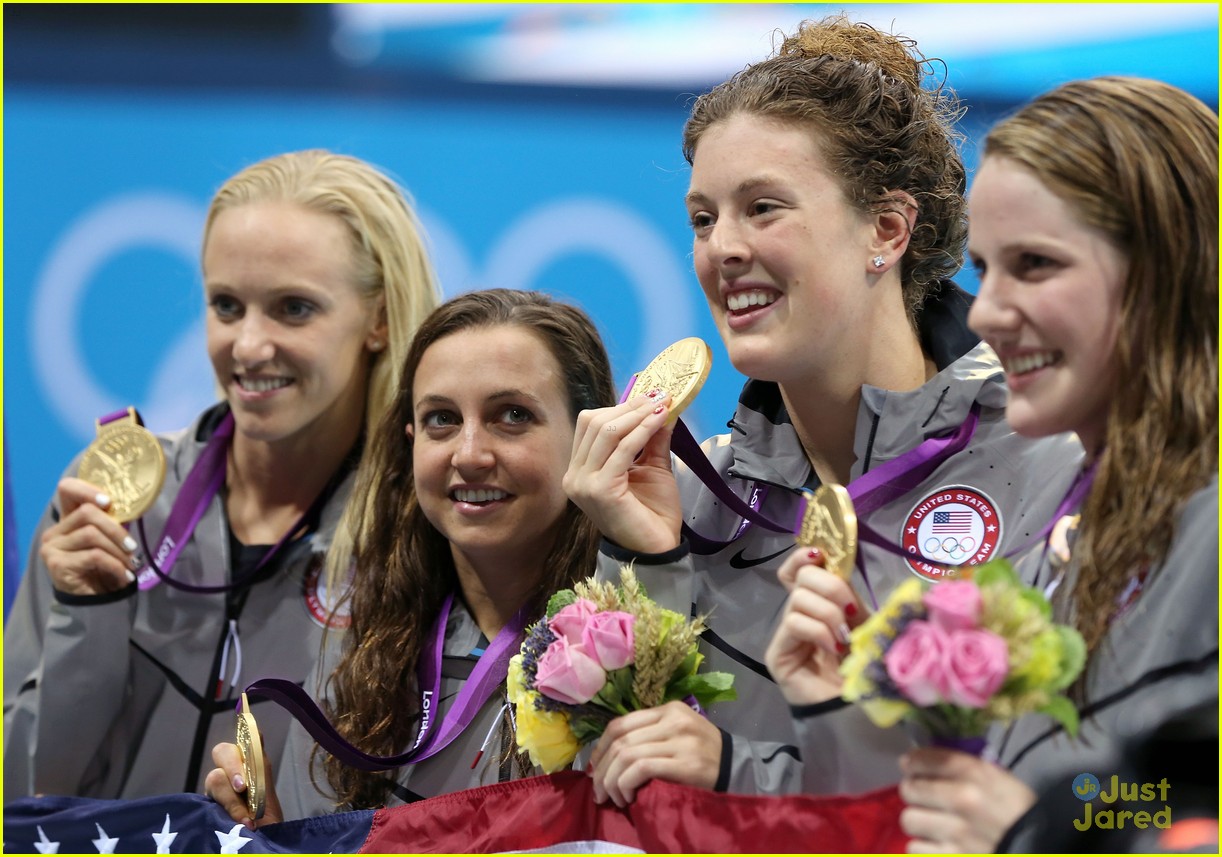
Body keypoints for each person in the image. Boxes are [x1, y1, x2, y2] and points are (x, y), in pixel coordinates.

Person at [564, 15, 1082, 805]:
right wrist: (645, 561)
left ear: (887, 227)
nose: (722, 248)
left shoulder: (1052, 460)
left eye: (763, 207)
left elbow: (1087, 789)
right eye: (703, 218)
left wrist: (743, 769)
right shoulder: (694, 499)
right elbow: (616, 796)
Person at [3, 149, 441, 801]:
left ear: (377, 318)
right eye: (227, 305)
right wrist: (85, 617)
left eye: (294, 309)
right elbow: (23, 789)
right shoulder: (113, 502)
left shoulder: (416, 532)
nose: (248, 346)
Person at [893, 76, 1217, 852]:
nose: (987, 311)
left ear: (1166, 269)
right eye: (984, 268)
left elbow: (1181, 810)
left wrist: (1043, 829)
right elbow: (1128, 786)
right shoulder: (1085, 523)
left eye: (1035, 264)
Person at [205, 288, 617, 826]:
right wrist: (274, 840)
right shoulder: (359, 650)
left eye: (512, 415)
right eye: (441, 419)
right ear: (411, 442)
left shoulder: (634, 642)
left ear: (587, 432)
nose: (469, 454)